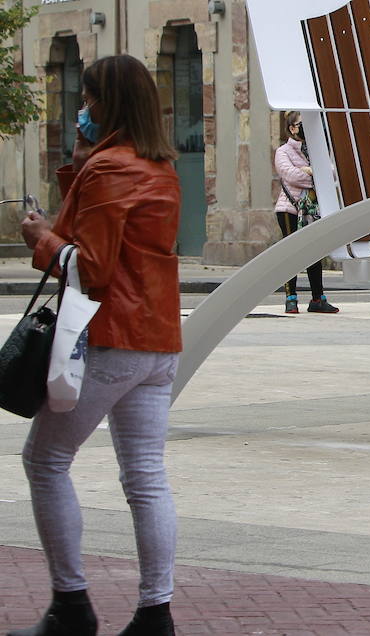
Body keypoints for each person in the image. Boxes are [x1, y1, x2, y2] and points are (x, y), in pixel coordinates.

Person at [14, 55, 183, 636]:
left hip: (113, 337)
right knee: (146, 477)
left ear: (105, 103)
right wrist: (79, 176)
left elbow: (92, 266)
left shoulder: (111, 168)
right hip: (158, 338)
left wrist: (41, 239)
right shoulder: (160, 166)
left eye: (86, 100)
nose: (80, 109)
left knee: (45, 459)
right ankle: (155, 613)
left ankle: (72, 605)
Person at [274, 112, 338, 315]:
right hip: (289, 208)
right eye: (300, 124)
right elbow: (291, 176)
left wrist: (310, 170)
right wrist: (311, 172)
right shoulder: (283, 151)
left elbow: (332, 173)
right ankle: (290, 298)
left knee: (314, 253)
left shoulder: (315, 149)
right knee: (291, 252)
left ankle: (318, 299)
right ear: (292, 128)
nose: (304, 128)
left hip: (313, 210)